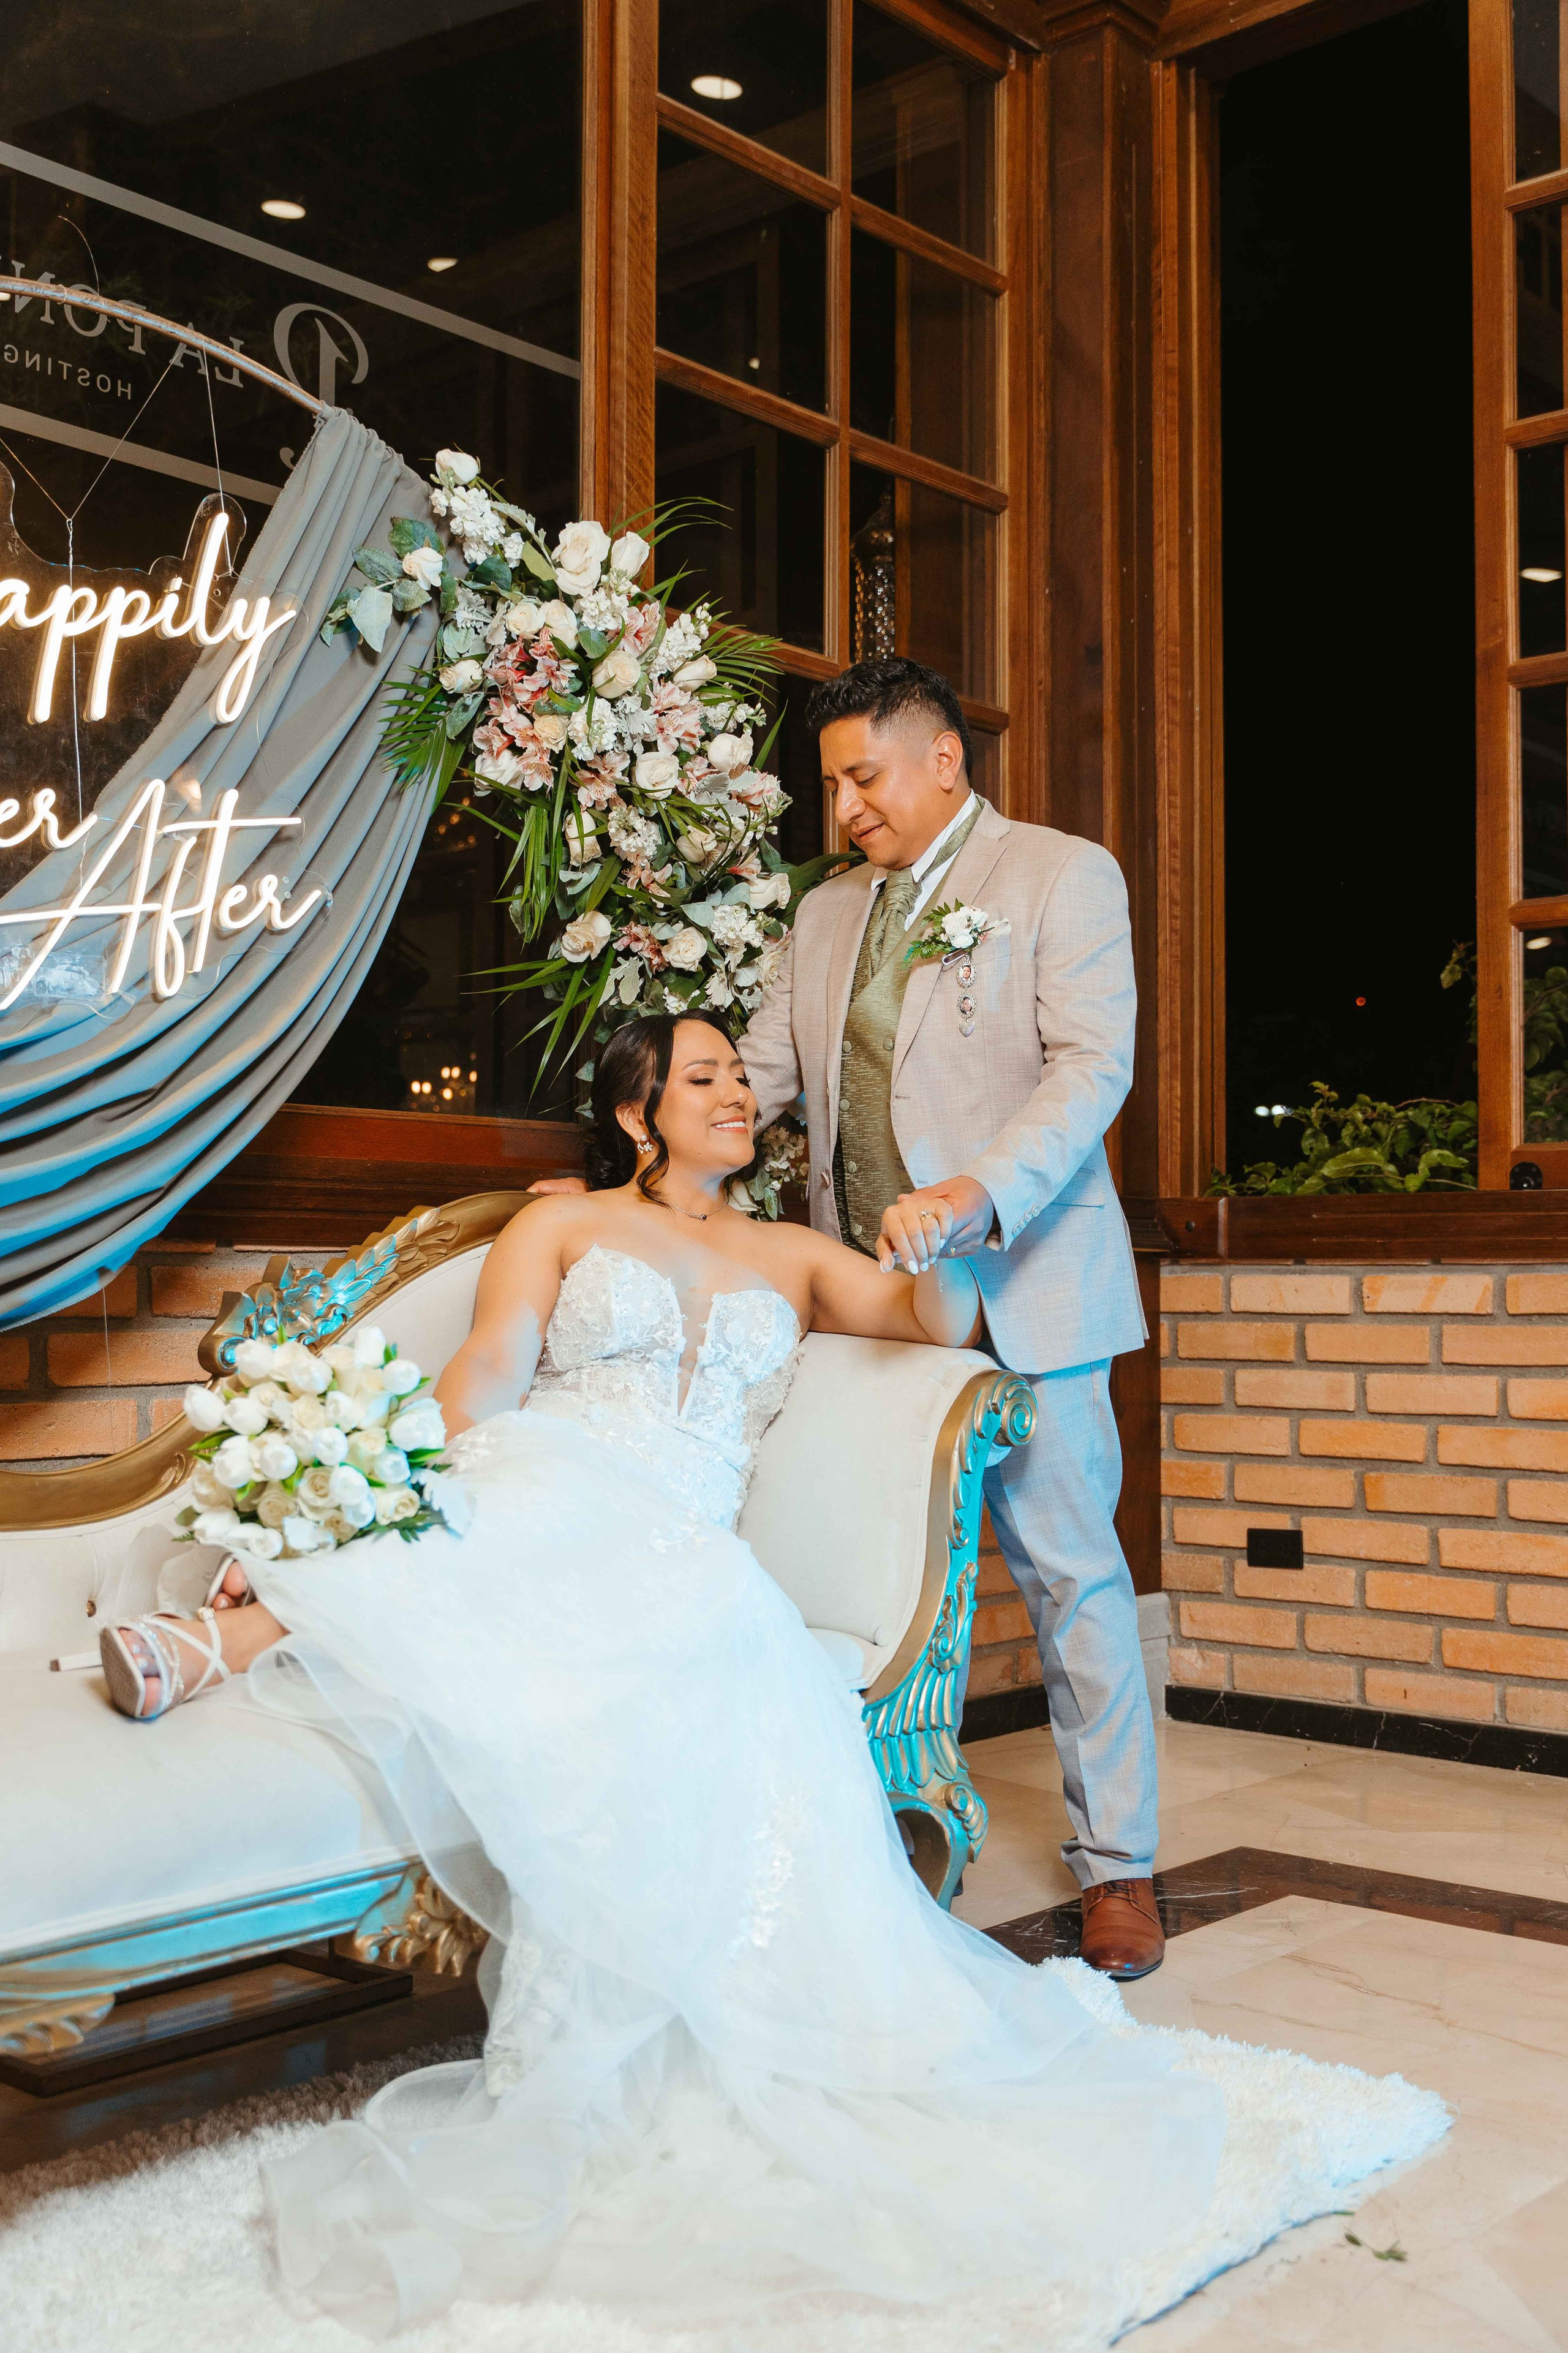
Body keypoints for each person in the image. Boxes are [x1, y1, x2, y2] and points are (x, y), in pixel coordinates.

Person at [99, 1013, 1442, 2340]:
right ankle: (212, 1640)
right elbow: (491, 1369)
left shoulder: (792, 1254)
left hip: (680, 1543)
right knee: (493, 1515)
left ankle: (234, 1641)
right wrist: (375, 1489)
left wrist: (946, 1235)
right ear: (638, 1115)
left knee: (639, 1607)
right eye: (704, 1077)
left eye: (741, 1073)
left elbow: (927, 1325)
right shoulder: (557, 1226)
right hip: (551, 1470)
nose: (738, 1093)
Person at [737, 657, 1164, 1981]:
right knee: (851, 1576)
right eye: (831, 786)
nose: (846, 809)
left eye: (863, 779)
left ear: (942, 761)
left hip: (1022, 1283)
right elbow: (760, 1071)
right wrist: (642, 1165)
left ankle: (1120, 1869)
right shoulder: (822, 916)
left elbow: (1093, 1064)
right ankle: (857, 1836)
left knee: (1065, 1573)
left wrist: (981, 1189)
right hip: (864, 1310)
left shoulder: (1057, 873)